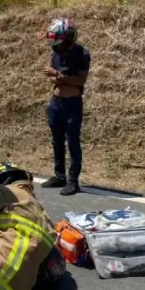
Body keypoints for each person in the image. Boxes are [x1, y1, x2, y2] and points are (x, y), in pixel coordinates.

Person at [41, 18, 91, 196]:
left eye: (59, 41)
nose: (56, 45)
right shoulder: (55, 51)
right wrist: (58, 76)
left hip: (72, 103)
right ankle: (59, 175)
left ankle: (73, 180)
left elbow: (80, 80)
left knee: (73, 142)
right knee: (56, 140)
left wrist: (59, 75)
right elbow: (52, 77)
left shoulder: (82, 53)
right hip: (56, 102)